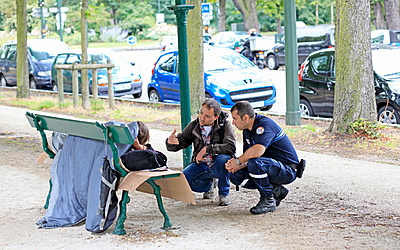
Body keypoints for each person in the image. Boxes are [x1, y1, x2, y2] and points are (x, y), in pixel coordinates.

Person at [225, 101, 302, 214]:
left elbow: (257, 151)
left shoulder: (265, 125)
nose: (233, 122)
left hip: (288, 170)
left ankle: (268, 200)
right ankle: (276, 190)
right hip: (269, 166)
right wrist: (236, 166)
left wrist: (238, 161)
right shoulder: (247, 130)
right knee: (235, 175)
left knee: (255, 164)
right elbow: (249, 156)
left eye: (235, 118)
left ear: (245, 117)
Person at [166, 99, 236, 206]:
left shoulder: (224, 125)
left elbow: (231, 147)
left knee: (223, 159)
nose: (202, 118)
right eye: (201, 113)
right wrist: (171, 142)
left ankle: (224, 194)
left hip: (219, 164)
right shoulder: (195, 125)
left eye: (207, 116)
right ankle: (209, 185)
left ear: (216, 117)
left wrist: (207, 149)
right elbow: (181, 142)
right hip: (202, 164)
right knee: (183, 181)